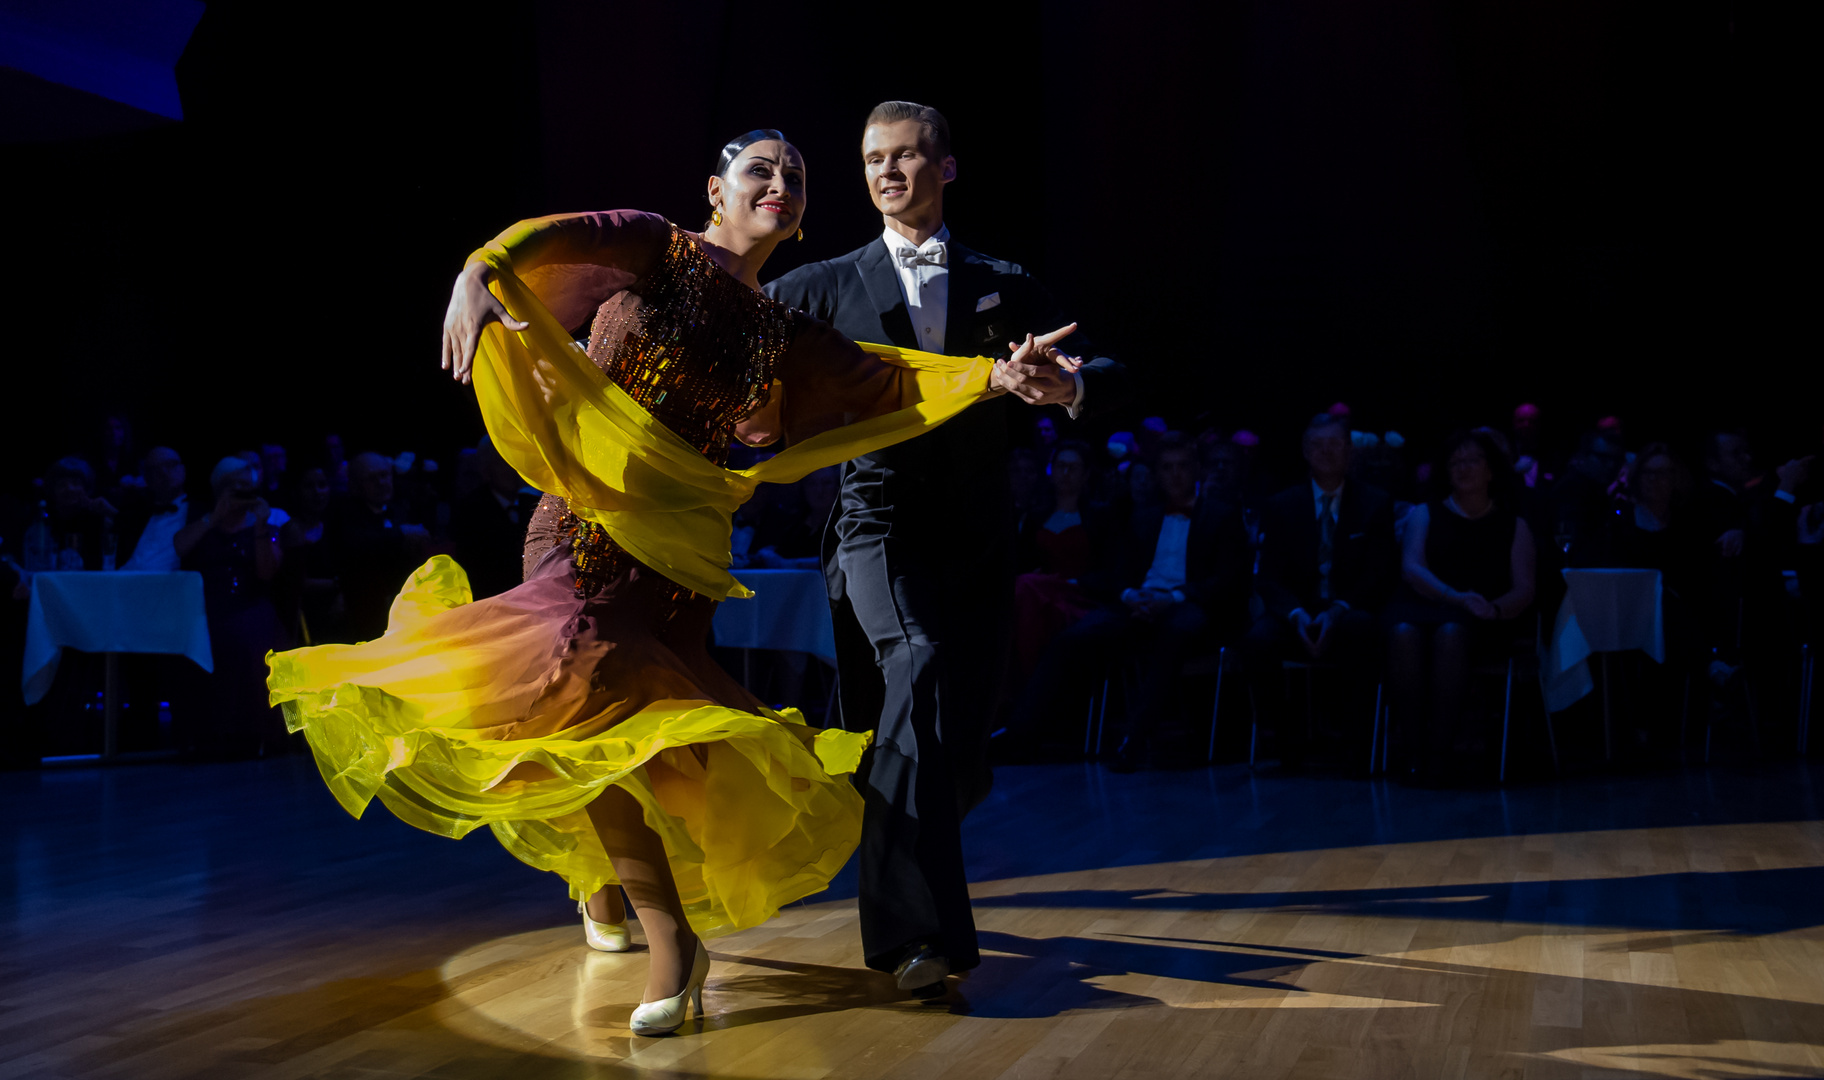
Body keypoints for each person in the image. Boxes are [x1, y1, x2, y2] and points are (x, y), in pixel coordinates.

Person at [267, 129, 1071, 1035]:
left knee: (612, 725)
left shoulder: (779, 328)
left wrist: (995, 375)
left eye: (796, 178)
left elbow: (882, 383)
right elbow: (546, 237)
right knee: (570, 707)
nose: (781, 184)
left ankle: (605, 890)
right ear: (716, 192)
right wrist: (474, 274)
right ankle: (669, 939)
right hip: (582, 525)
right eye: (760, 170)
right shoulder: (659, 246)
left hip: (679, 558)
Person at [763, 101, 1131, 995]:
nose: (887, 172)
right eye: (872, 160)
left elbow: (1103, 374)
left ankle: (912, 867)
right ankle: (917, 943)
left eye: (905, 156)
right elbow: (722, 346)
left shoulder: (1000, 281)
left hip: (976, 542)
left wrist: (1069, 392)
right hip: (876, 528)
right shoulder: (820, 286)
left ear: (947, 167)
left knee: (956, 754)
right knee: (918, 673)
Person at [1009, 433, 1251, 770]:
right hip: (1138, 603)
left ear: (1196, 470)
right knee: (1072, 637)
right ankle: (1020, 733)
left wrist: (1174, 597)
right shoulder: (1144, 516)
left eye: (1182, 467)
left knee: (1174, 633)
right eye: (1167, 468)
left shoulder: (1221, 516)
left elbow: (1227, 580)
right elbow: (1120, 571)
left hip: (1189, 605)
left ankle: (1133, 740)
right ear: (1158, 473)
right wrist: (1129, 595)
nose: (1176, 475)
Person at [1244, 414, 1398, 770]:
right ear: (1304, 451)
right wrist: (1297, 613)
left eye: (1334, 444)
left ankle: (1356, 744)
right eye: (1318, 444)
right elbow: (1269, 577)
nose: (1326, 452)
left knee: (1361, 630)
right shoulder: (1282, 505)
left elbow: (1380, 572)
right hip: (1296, 610)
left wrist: (1338, 609)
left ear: (1349, 450)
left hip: (1348, 608)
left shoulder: (1375, 503)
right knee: (1256, 641)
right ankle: (1285, 742)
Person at [1386, 431, 1536, 782]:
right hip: (1426, 604)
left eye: (1471, 461)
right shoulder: (1424, 514)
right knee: (1403, 633)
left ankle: (1439, 752)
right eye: (1456, 462)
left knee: (1452, 634)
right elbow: (1412, 569)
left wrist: (1494, 609)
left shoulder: (1515, 526)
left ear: (1491, 471)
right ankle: (1412, 749)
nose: (1462, 468)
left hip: (1482, 619)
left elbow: (1524, 588)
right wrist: (1456, 598)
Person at [177, 457, 288, 758]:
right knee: (206, 635)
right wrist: (213, 519)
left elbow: (267, 572)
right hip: (206, 607)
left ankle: (252, 735)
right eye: (234, 488)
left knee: (245, 638)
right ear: (219, 490)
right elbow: (180, 547)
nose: (241, 494)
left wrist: (262, 526)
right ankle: (207, 737)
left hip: (250, 604)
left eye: (247, 488)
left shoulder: (262, 525)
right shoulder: (202, 522)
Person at [449, 437, 541, 600]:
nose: (512, 470)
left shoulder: (532, 503)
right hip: (492, 597)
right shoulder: (472, 509)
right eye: (503, 463)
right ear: (486, 469)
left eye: (515, 462)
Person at [120, 447, 196, 571]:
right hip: (123, 581)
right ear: (146, 478)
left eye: (170, 465)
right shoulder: (136, 514)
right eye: (156, 469)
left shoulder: (200, 514)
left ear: (183, 470)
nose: (164, 473)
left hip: (172, 586)